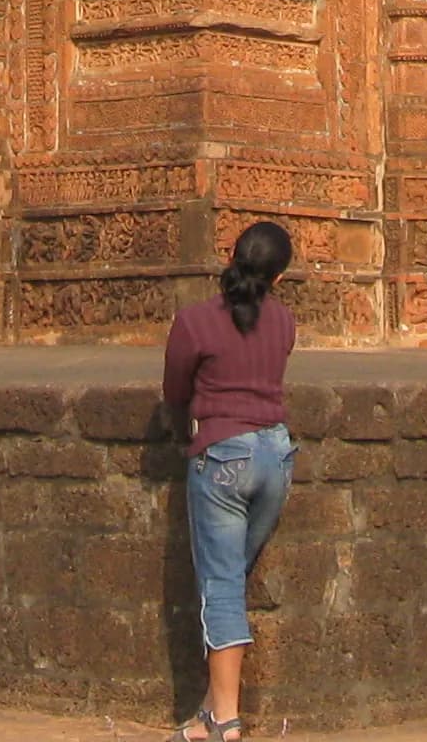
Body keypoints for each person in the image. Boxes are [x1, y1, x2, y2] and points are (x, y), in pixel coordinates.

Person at [160, 219, 297, 742]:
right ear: (279, 278)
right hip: (276, 457)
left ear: (230, 256)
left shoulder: (195, 322)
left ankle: (224, 720)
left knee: (219, 585)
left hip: (223, 457)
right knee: (230, 578)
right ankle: (210, 707)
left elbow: (174, 389)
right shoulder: (284, 323)